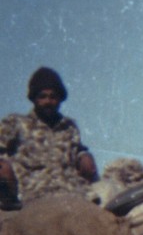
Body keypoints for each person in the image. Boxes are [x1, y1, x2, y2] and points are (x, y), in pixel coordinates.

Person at [0, 67, 97, 209]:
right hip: (33, 194)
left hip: (73, 191)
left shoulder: (69, 127)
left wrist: (84, 156)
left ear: (60, 99)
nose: (48, 101)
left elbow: (78, 150)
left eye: (53, 97)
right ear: (34, 98)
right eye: (42, 96)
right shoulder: (15, 123)